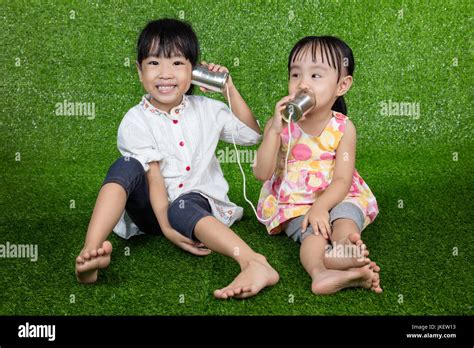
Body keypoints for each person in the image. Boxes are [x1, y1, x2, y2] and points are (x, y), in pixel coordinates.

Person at [75, 18, 279, 300]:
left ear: (194, 70)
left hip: (195, 207)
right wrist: (168, 229)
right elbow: (153, 176)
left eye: (177, 63)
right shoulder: (135, 120)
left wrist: (227, 87)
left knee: (182, 204)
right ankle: (90, 252)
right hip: (151, 211)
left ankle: (253, 261)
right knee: (125, 165)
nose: (165, 74)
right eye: (154, 63)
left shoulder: (209, 109)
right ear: (139, 70)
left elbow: (253, 135)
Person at [254, 36, 382, 295]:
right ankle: (320, 272)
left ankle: (344, 250)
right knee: (311, 233)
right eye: (295, 74)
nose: (302, 83)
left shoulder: (343, 127)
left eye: (316, 76)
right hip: (295, 200)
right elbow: (261, 173)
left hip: (336, 193)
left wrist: (322, 207)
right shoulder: (279, 124)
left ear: (342, 85)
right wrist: (272, 132)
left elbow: (343, 180)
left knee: (345, 217)